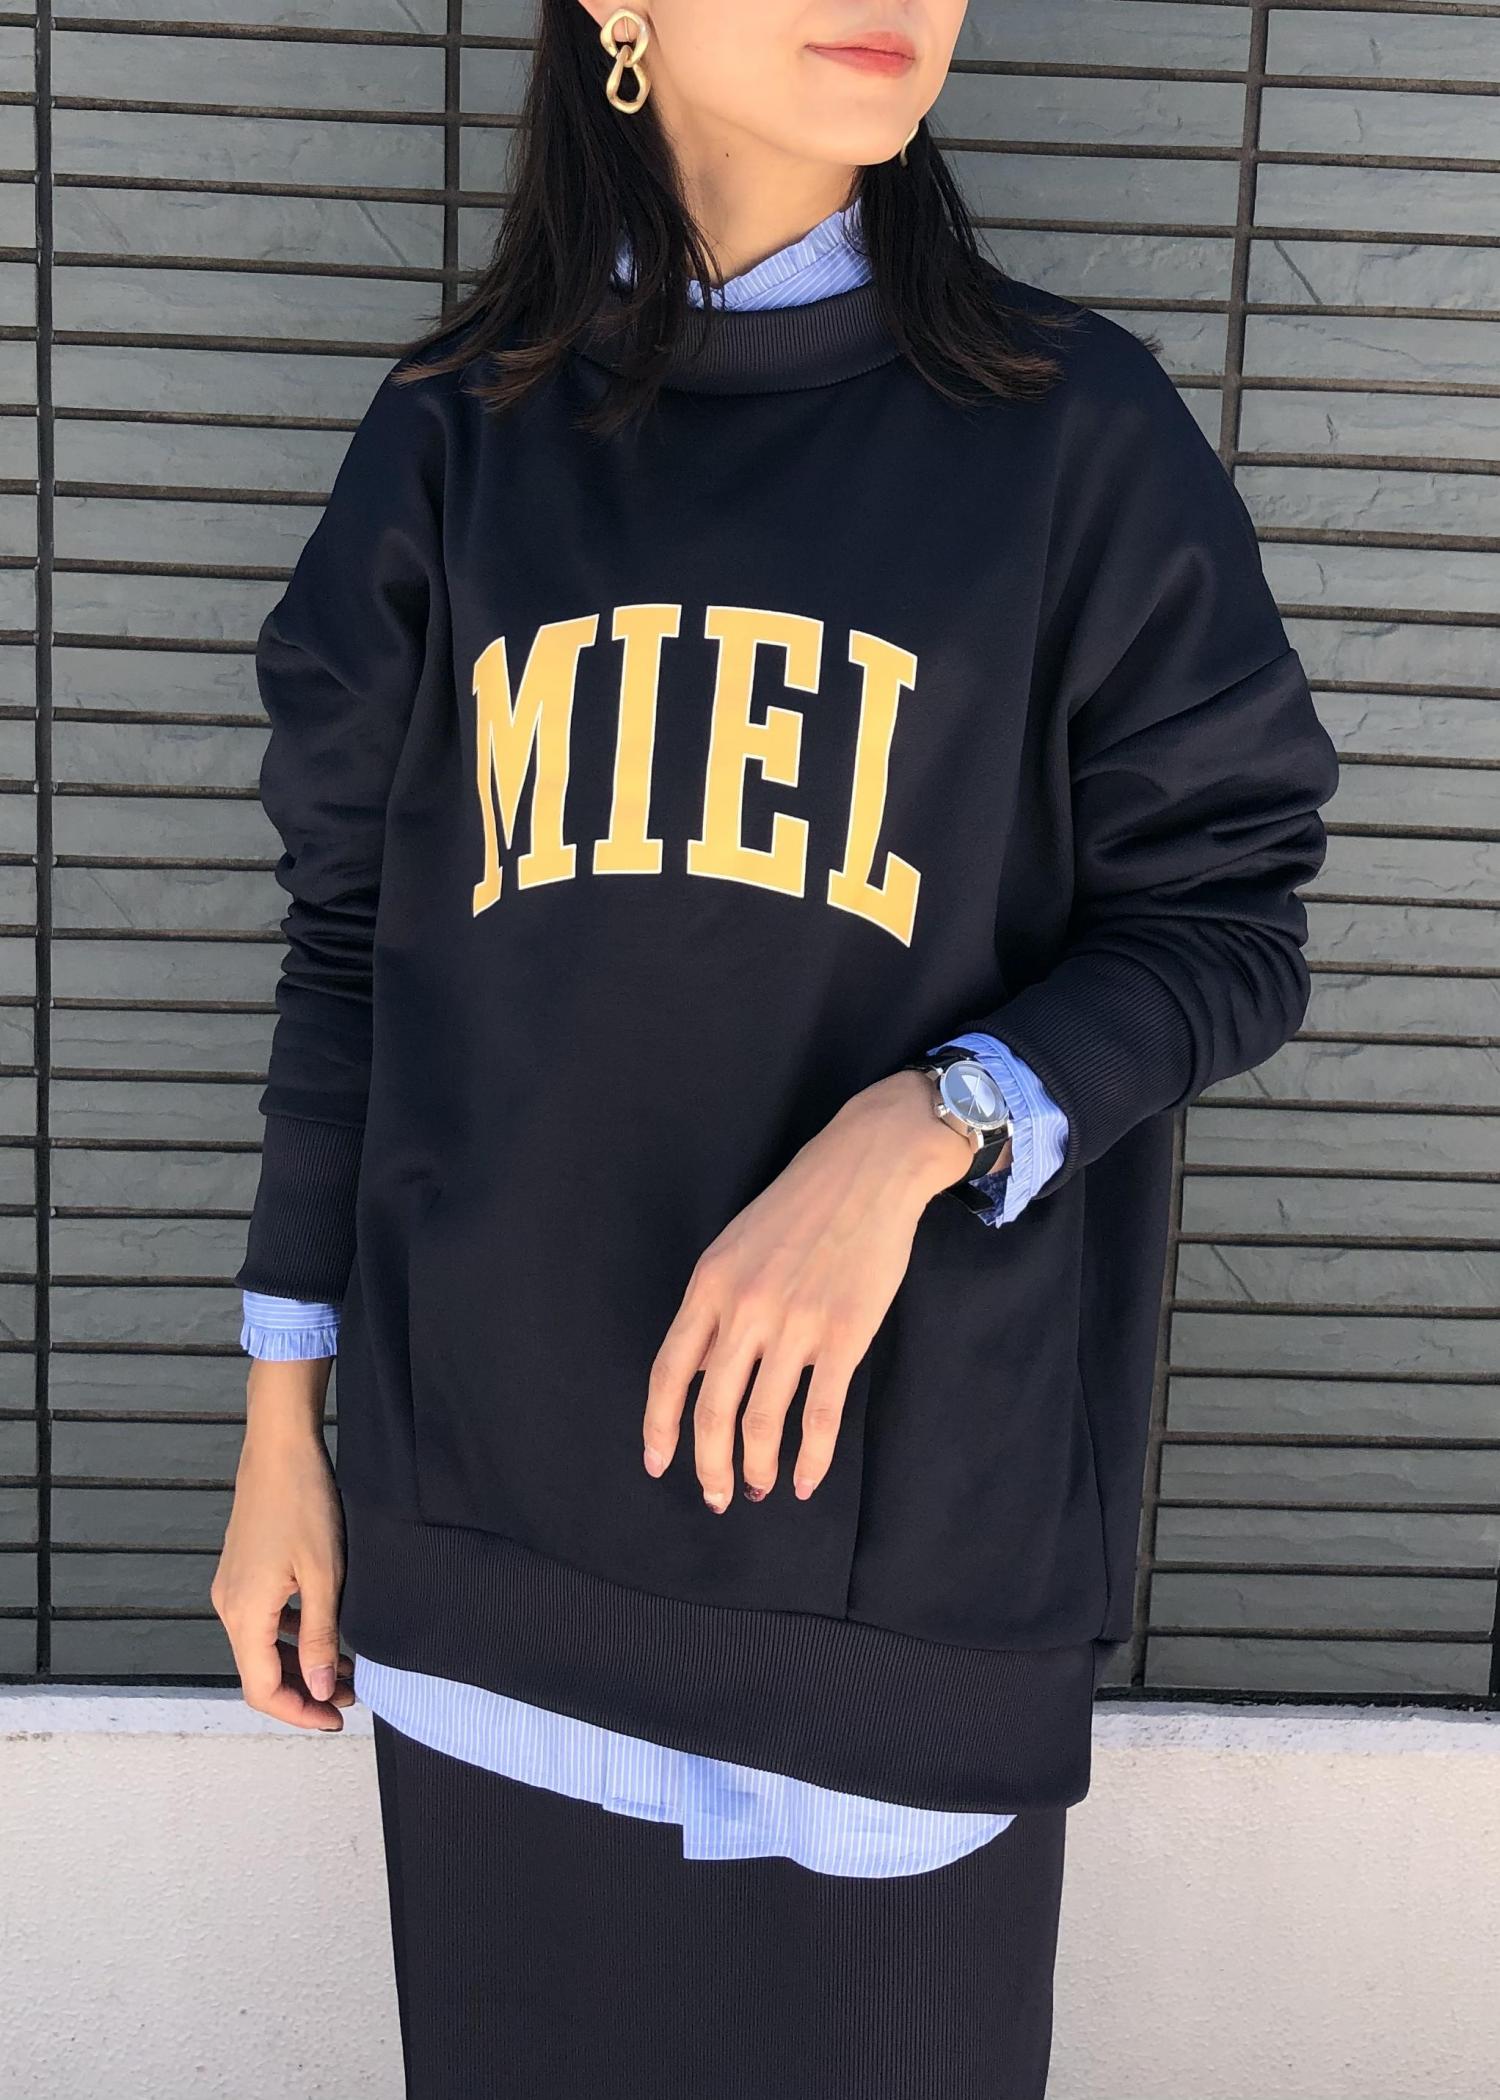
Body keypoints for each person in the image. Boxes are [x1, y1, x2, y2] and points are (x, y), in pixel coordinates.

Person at [209, 3, 1342, 2094]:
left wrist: (929, 1124)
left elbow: (1225, 920)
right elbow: (350, 950)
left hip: (899, 1577)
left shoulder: (1071, 437)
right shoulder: (457, 438)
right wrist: (287, 1432)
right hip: (484, 1553)